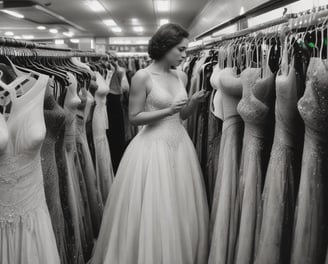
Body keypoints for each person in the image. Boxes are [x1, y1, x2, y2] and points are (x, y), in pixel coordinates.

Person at [90, 23, 209, 264]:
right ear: (165, 47)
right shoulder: (142, 76)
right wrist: (167, 111)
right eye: (181, 50)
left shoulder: (181, 75)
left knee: (180, 205)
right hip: (152, 148)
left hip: (180, 146)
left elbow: (182, 115)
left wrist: (193, 103)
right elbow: (134, 118)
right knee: (154, 206)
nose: (185, 55)